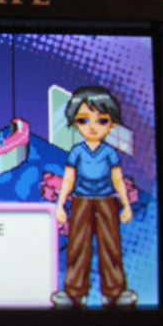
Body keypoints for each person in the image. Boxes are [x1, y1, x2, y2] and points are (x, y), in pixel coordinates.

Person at [52, 86, 137, 308]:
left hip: (107, 201)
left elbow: (117, 179)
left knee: (111, 245)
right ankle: (74, 293)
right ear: (75, 123)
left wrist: (126, 205)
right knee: (78, 246)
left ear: (111, 124)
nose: (92, 127)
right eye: (83, 120)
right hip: (81, 201)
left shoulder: (109, 153)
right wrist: (60, 205)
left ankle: (115, 292)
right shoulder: (77, 151)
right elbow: (69, 179)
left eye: (102, 120)